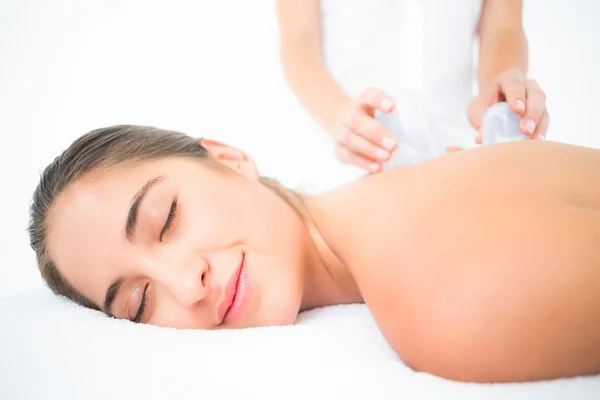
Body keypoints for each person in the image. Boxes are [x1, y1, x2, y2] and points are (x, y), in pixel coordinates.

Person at [29, 126, 600, 384]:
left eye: (166, 219)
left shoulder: (439, 298)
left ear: (228, 159)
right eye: (139, 302)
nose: (187, 284)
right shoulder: (410, 199)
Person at [276, 0, 549, 173]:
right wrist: (342, 120)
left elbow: (504, 28)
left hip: (459, 154)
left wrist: (500, 91)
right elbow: (299, 41)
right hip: (352, 161)